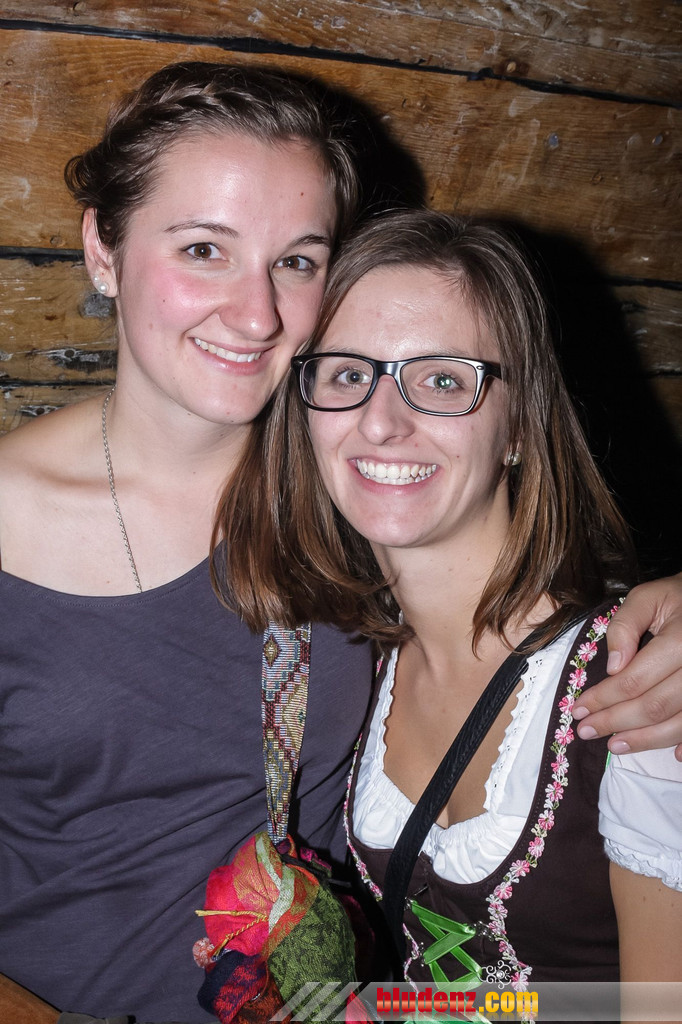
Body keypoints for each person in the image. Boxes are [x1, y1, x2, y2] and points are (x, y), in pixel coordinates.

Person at [0, 62, 680, 1024]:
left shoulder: (349, 488)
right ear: (103, 251)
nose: (256, 313)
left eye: (297, 260)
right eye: (204, 249)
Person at [227, 209, 681, 991]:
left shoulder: (643, 685)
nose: (381, 422)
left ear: (520, 425)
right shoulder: (345, 659)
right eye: (348, 375)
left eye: (442, 380)